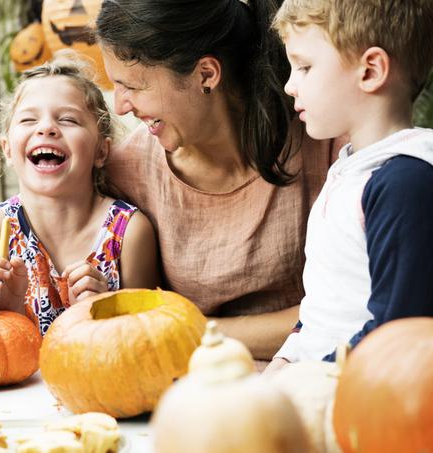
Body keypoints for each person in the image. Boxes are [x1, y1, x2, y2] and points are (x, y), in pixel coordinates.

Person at [95, 0, 340, 360]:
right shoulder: (128, 171)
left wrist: (190, 330)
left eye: (132, 86)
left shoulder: (324, 139)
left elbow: (345, 311)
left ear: (206, 74)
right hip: (195, 392)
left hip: (319, 378)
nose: (120, 106)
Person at [265, 0, 433, 370]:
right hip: (318, 376)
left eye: (305, 67)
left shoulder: (404, 183)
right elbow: (327, 305)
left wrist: (306, 378)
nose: (290, 86)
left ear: (370, 71)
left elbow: (396, 332)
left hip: (363, 393)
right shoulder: (351, 171)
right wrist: (286, 357)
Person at [0, 53, 161, 335]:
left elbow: (150, 337)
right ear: (7, 150)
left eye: (68, 120)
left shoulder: (129, 232)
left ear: (101, 151)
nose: (46, 128)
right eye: (28, 120)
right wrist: (8, 313)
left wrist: (105, 313)